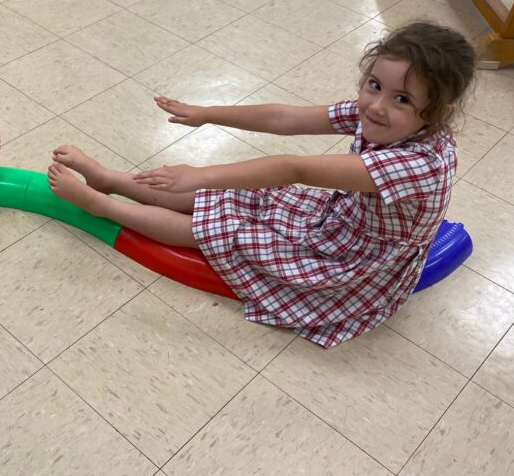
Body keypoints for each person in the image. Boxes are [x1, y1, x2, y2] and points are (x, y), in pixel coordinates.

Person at [48, 22, 476, 348]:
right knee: (234, 193)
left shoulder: (416, 164)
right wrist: (207, 113)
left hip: (351, 260)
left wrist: (200, 174)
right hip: (337, 219)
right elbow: (284, 119)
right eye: (375, 85)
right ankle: (108, 180)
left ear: (437, 112)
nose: (377, 106)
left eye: (402, 99)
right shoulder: (383, 117)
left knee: (225, 227)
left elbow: (295, 169)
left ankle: (102, 205)